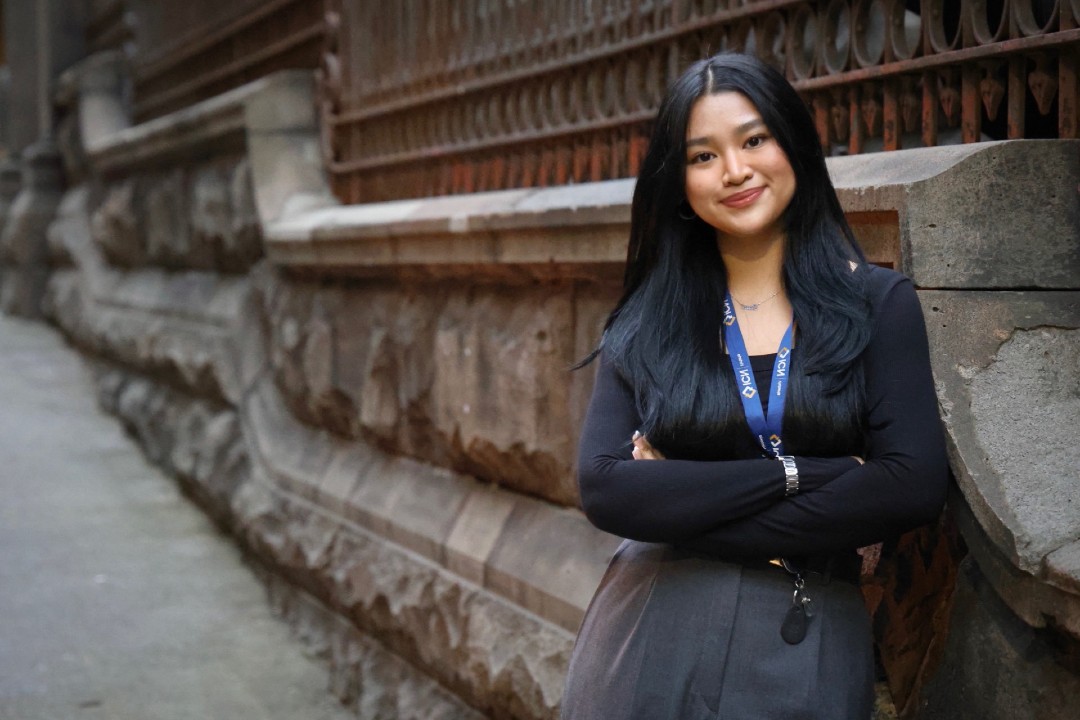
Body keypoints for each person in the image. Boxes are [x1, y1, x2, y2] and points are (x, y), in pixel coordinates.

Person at [560, 53, 949, 720]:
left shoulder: (877, 305)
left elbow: (910, 485)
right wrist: (807, 474)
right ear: (677, 180)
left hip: (811, 631)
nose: (735, 171)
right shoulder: (648, 322)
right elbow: (606, 488)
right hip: (653, 629)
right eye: (703, 156)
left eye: (753, 140)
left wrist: (681, 493)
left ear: (791, 142)